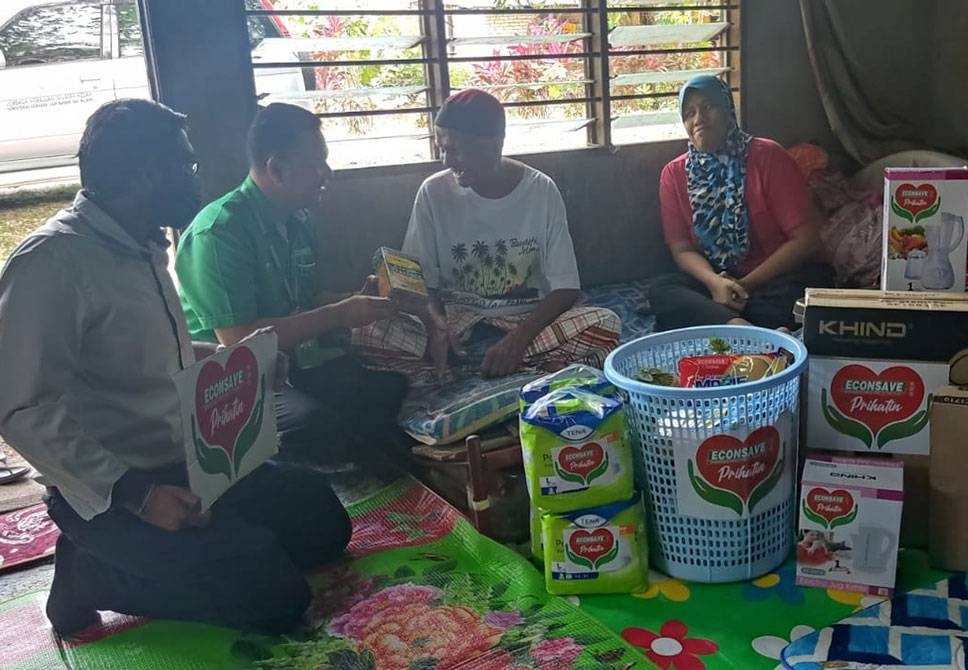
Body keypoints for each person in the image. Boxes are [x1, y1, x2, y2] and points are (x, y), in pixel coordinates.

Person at [0, 99, 351, 637]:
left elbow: (157, 351)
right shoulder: (52, 263)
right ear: (144, 174)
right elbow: (19, 407)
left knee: (322, 523)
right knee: (274, 596)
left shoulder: (142, 243)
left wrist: (246, 362)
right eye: (185, 166)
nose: (198, 176)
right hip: (115, 490)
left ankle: (207, 547)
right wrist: (138, 497)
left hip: (188, 464)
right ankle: (88, 571)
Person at [174, 103, 409, 467]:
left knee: (385, 390)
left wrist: (355, 302)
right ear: (277, 169)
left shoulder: (298, 219)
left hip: (292, 359)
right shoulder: (219, 232)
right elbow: (238, 341)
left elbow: (306, 299)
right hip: (229, 378)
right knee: (313, 424)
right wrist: (338, 315)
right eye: (316, 163)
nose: (326, 174)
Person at [354, 89, 621, 383]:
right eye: (442, 148)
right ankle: (515, 372)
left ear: (495, 144)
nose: (446, 160)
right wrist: (436, 325)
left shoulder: (540, 190)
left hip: (526, 321)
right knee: (367, 334)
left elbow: (565, 288)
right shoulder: (433, 193)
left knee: (605, 324)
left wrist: (517, 340)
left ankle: (456, 373)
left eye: (456, 150)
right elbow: (421, 281)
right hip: (457, 320)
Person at [648, 75, 832, 331]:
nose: (698, 119)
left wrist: (743, 285)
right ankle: (743, 329)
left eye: (708, 107)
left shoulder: (767, 156)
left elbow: (806, 239)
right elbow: (682, 249)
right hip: (718, 284)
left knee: (806, 298)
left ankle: (724, 325)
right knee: (662, 291)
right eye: (689, 113)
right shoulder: (674, 174)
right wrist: (715, 283)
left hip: (776, 278)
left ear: (728, 110)